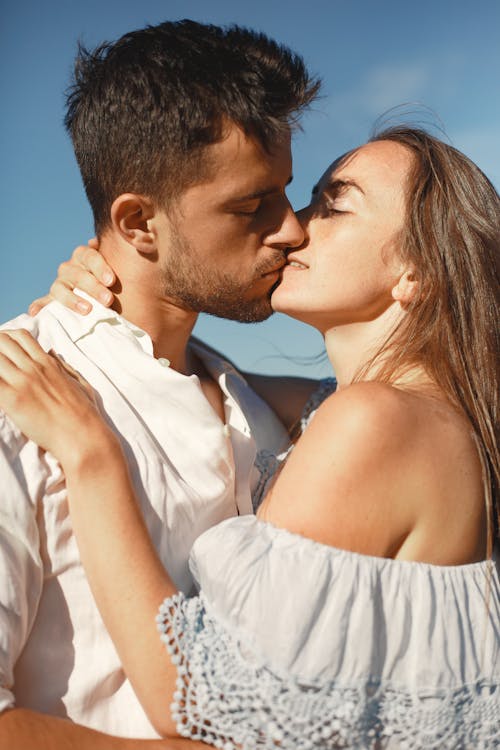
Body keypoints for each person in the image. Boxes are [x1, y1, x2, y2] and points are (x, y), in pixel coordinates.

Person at [1, 127, 498, 748]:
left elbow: (196, 697)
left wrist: (90, 454)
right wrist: (116, 295)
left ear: (416, 273)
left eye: (333, 206)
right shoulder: (394, 411)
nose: (294, 227)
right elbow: (177, 370)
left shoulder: (375, 420)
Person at [0, 20, 324, 748]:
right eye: (251, 207)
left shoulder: (261, 406)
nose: (291, 230)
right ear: (139, 222)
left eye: (286, 193)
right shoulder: (20, 397)